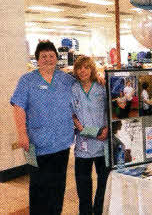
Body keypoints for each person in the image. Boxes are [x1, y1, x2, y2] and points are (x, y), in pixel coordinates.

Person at [11, 40, 76, 214]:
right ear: (37, 59)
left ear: (56, 57)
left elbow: (82, 91)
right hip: (37, 143)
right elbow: (18, 107)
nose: (48, 59)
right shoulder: (27, 80)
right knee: (39, 186)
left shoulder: (66, 79)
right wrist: (22, 134)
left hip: (62, 142)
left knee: (58, 185)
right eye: (44, 56)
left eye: (51, 55)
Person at [72, 56, 109, 215]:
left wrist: (107, 128)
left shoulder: (101, 88)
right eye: (80, 68)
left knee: (104, 184)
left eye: (87, 67)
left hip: (102, 144)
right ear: (76, 70)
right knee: (83, 187)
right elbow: (72, 115)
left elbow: (110, 110)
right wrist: (89, 131)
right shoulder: (73, 89)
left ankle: (98, 211)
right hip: (83, 147)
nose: (83, 71)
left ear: (92, 69)